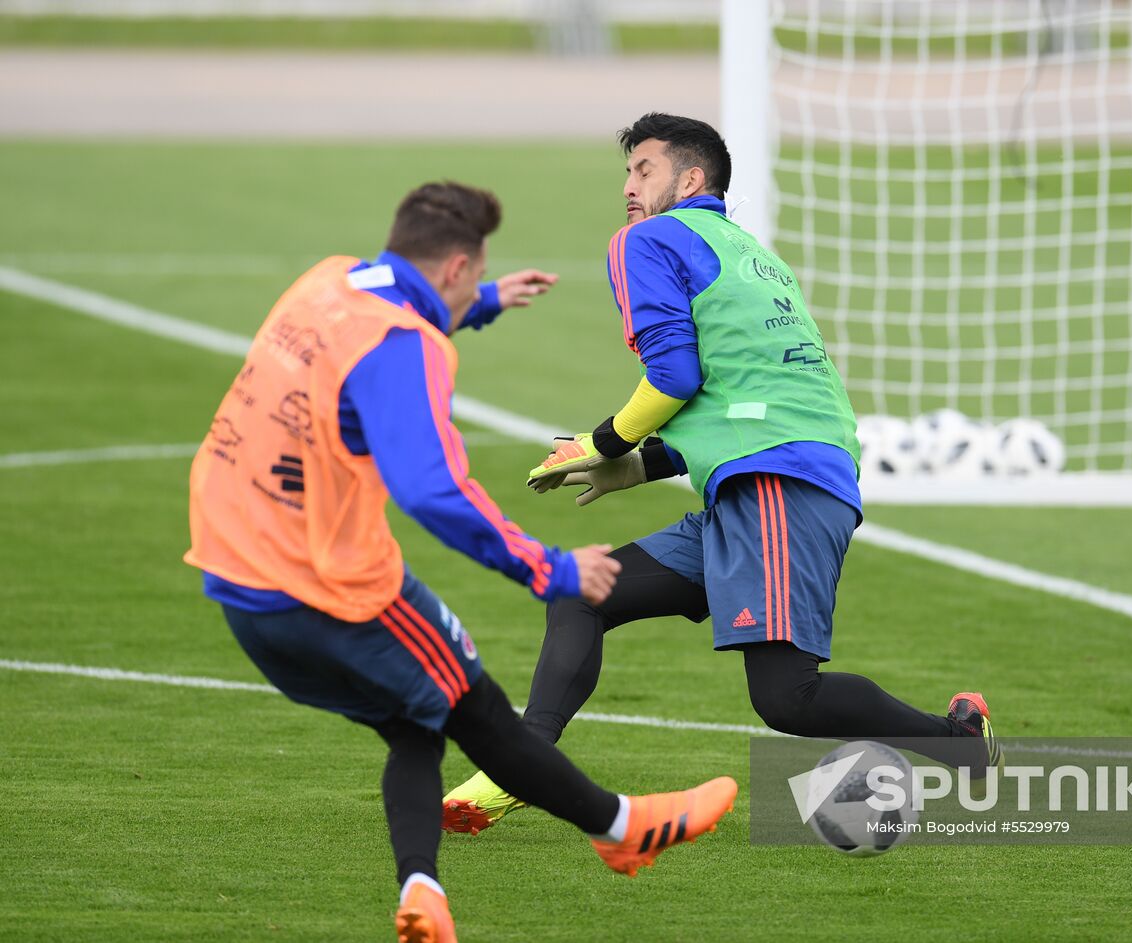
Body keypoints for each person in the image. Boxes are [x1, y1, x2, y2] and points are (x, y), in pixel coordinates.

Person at [184, 180, 736, 943]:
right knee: (478, 707)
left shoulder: (327, 280)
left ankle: (422, 890)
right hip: (325, 584)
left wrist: (481, 305)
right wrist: (551, 569)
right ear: (453, 265)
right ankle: (621, 826)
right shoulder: (407, 347)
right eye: (474, 277)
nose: (475, 285)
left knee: (415, 721)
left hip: (233, 574)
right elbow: (433, 492)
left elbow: (379, 322)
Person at [442, 115, 1002, 835]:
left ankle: (959, 743)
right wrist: (637, 465)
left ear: (692, 179)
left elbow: (676, 374)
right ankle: (522, 766)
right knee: (583, 594)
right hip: (776, 474)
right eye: (627, 173)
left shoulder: (647, 240)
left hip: (775, 483)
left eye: (643, 170)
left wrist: (602, 439)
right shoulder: (752, 255)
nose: (628, 187)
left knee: (786, 699)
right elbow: (739, 398)